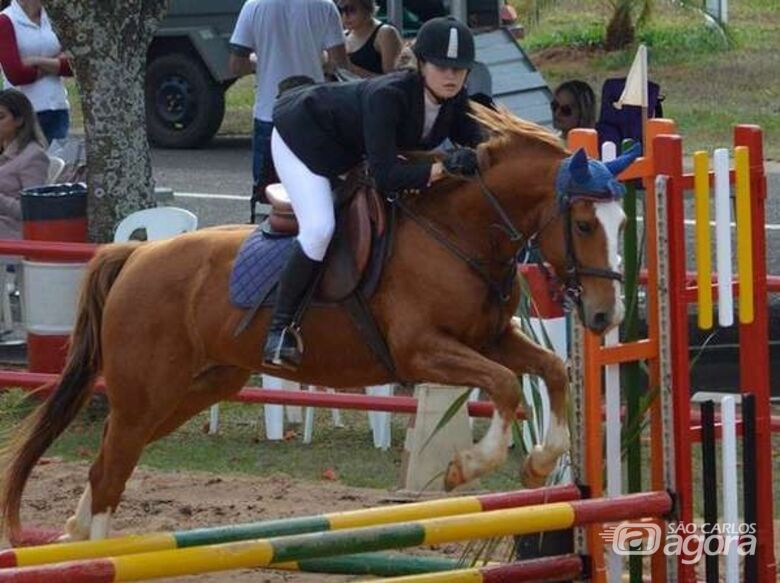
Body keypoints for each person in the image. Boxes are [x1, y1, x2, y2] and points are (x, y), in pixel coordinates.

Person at [265, 16, 484, 370]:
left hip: (346, 149)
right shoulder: (389, 97)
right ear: (422, 64)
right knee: (320, 228)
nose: (451, 76)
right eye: (442, 66)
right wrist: (443, 168)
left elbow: (482, 144)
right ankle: (279, 330)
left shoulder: (454, 103)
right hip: (302, 139)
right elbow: (384, 176)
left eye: (460, 69)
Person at [228, 0, 348, 217]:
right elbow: (339, 63)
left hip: (269, 113)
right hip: (311, 114)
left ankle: (270, 245)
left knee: (268, 195)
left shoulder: (254, 6)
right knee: (315, 190)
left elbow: (236, 65)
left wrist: (260, 63)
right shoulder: (325, 6)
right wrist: (317, 62)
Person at [0, 0, 73, 144]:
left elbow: (73, 65)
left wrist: (36, 61)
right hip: (24, 112)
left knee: (57, 163)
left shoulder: (56, 18)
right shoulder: (5, 21)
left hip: (57, 106)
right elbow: (17, 74)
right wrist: (56, 63)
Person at [0, 88, 48, 239]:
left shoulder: (33, 156)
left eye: (0, 117)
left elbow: (32, 211)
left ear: (19, 120)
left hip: (10, 237)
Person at [340, 0, 403, 77]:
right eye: (341, 10)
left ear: (367, 8)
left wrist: (350, 68)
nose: (345, 16)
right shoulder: (343, 35)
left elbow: (394, 80)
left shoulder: (385, 33)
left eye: (351, 10)